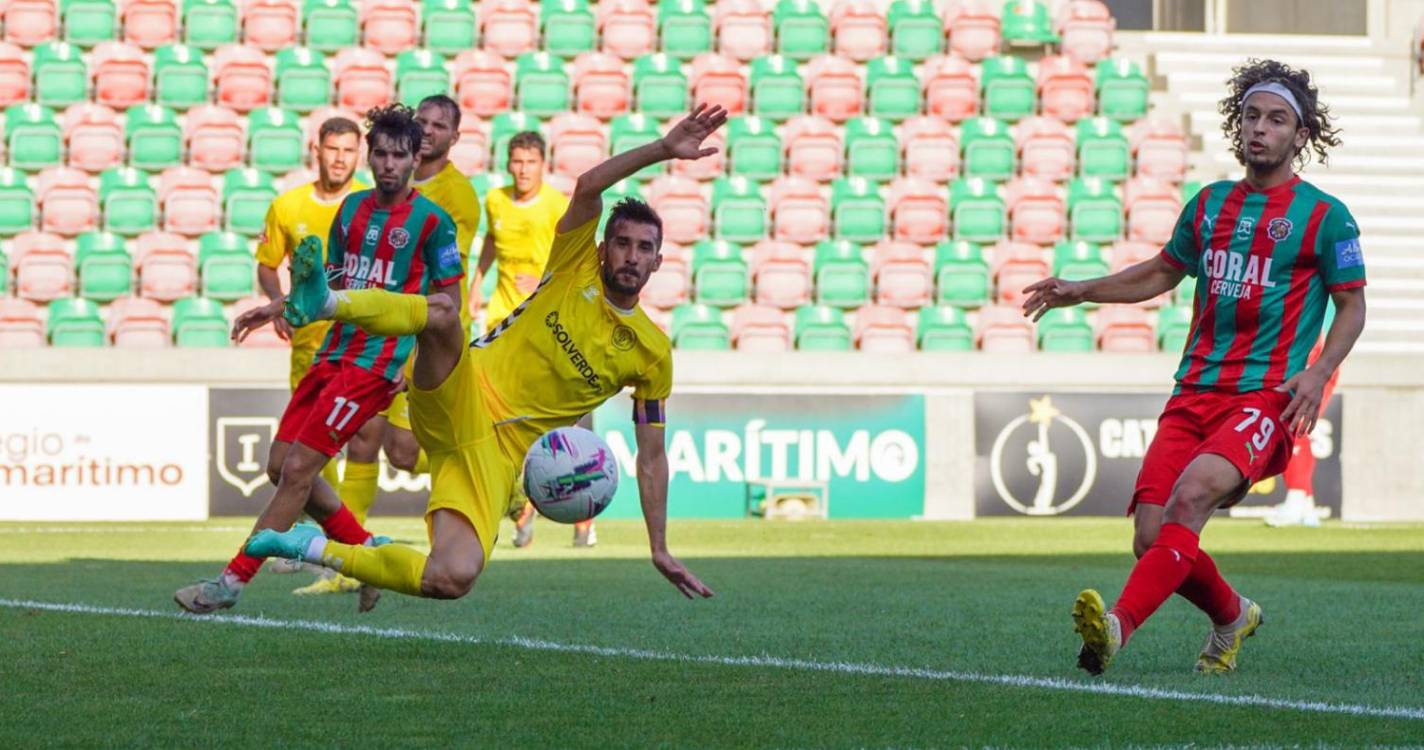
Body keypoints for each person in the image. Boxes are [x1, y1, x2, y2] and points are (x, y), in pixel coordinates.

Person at [237, 105, 730, 603]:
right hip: (465, 387)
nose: (631, 256)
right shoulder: (574, 264)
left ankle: (311, 547)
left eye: (645, 249)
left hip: (495, 457)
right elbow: (587, 186)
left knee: (452, 576)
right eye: (622, 244)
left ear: (659, 261)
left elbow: (651, 457)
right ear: (603, 249)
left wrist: (660, 547)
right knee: (444, 315)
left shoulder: (651, 354)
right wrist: (663, 150)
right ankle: (325, 301)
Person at [1021, 59, 1366, 675]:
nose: (1260, 128)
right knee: (1151, 537)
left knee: (1191, 499)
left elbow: (1351, 306)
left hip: (1264, 396)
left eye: (1276, 119)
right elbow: (1159, 272)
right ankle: (1232, 614)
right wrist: (1083, 290)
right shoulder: (1208, 204)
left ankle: (1117, 628)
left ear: (1300, 134)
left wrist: (1317, 373)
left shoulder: (1326, 217)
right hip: (1192, 393)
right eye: (1251, 116)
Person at [175, 104, 465, 614]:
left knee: (299, 472)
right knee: (277, 466)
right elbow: (326, 285)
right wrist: (274, 307)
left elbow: (450, 310)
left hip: (374, 366)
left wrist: (415, 371)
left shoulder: (434, 224)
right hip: (332, 352)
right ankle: (369, 555)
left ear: (415, 159)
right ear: (370, 158)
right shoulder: (350, 211)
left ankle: (231, 583)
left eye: (399, 155)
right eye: (381, 154)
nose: (389, 165)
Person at [340, 95, 483, 536]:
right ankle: (342, 559)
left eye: (440, 126)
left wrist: (409, 346)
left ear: (454, 138)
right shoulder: (393, 181)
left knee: (402, 452)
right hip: (382, 329)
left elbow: (441, 284)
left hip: (425, 337)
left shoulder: (456, 198)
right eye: (423, 122)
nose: (429, 130)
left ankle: (486, 466)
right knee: (362, 437)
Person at [250, 116, 368, 594]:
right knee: (301, 456)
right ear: (315, 150)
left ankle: (340, 549)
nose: (339, 158)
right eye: (332, 149)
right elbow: (266, 265)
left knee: (369, 447)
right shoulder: (288, 206)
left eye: (348, 150)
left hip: (361, 345)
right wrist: (279, 306)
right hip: (309, 347)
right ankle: (324, 546)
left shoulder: (366, 206)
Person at [474, 130, 593, 548]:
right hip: (501, 322)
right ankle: (519, 507)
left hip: (546, 324)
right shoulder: (495, 200)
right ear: (508, 163)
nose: (523, 170)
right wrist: (476, 282)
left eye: (531, 162)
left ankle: (582, 514)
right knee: (500, 418)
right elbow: (492, 239)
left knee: (561, 415)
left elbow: (577, 261)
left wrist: (541, 281)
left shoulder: (558, 207)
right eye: (517, 161)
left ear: (543, 165)